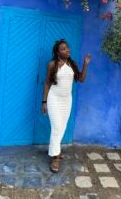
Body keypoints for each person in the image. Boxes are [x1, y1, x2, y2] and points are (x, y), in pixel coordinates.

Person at [42, 39, 91, 173]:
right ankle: (56, 158)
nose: (67, 50)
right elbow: (47, 83)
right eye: (63, 49)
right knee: (56, 127)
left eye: (67, 48)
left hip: (66, 100)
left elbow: (81, 79)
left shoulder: (72, 64)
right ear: (58, 52)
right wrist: (44, 102)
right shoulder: (53, 64)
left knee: (62, 127)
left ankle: (55, 150)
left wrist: (86, 64)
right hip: (54, 98)